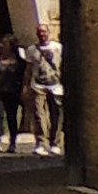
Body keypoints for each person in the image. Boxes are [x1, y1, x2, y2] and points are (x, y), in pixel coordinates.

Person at [29, 22, 66, 155]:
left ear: (48, 33)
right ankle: (40, 142)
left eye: (44, 31)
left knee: (56, 114)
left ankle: (55, 142)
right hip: (38, 85)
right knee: (39, 114)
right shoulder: (32, 50)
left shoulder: (58, 47)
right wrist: (26, 85)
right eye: (39, 32)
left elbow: (63, 65)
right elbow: (29, 68)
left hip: (56, 85)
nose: (41, 34)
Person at [0, 31, 28, 152]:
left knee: (12, 117)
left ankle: (13, 141)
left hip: (13, 91)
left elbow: (24, 77)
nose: (1, 45)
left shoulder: (20, 62)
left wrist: (24, 90)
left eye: (4, 44)